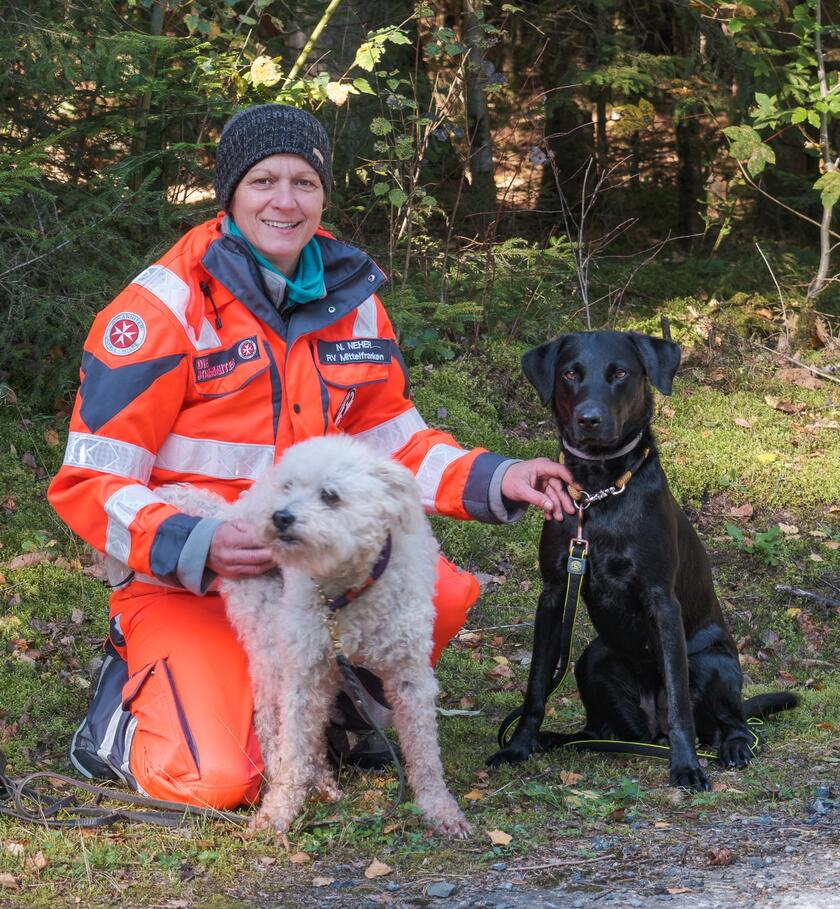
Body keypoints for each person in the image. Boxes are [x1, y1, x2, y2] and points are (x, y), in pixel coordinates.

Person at [48, 104, 577, 810]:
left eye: (304, 182)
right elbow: (90, 479)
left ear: (325, 194)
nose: (285, 201)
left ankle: (332, 718)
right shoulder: (161, 307)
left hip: (311, 563)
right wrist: (197, 542)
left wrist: (499, 476)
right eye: (263, 181)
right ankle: (119, 714)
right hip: (190, 573)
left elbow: (392, 443)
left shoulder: (351, 297)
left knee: (443, 592)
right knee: (216, 779)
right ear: (230, 194)